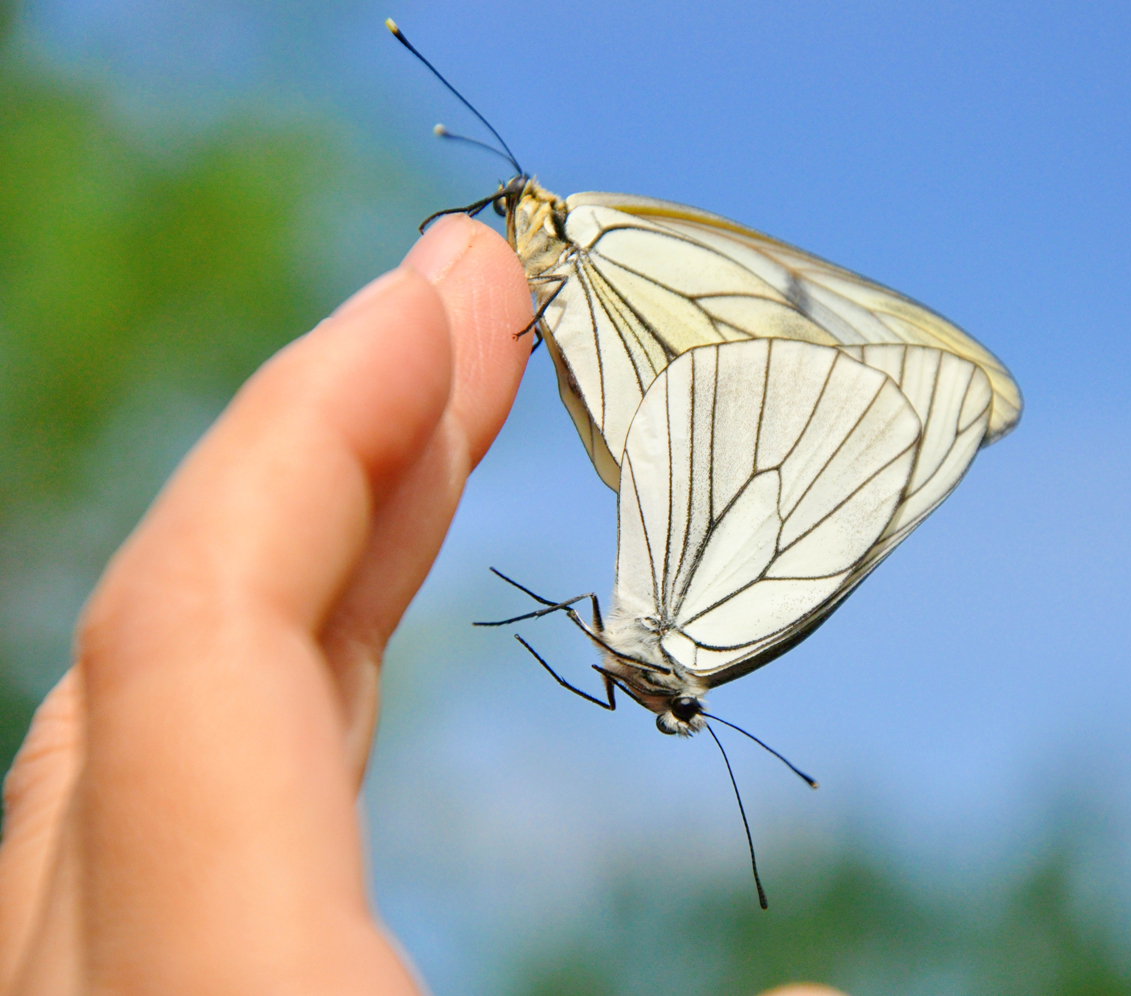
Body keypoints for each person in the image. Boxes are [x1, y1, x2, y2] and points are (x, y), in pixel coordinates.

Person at [0, 216, 845, 996]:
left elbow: (596, 657)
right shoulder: (693, 650)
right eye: (682, 713)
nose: (672, 715)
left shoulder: (650, 666)